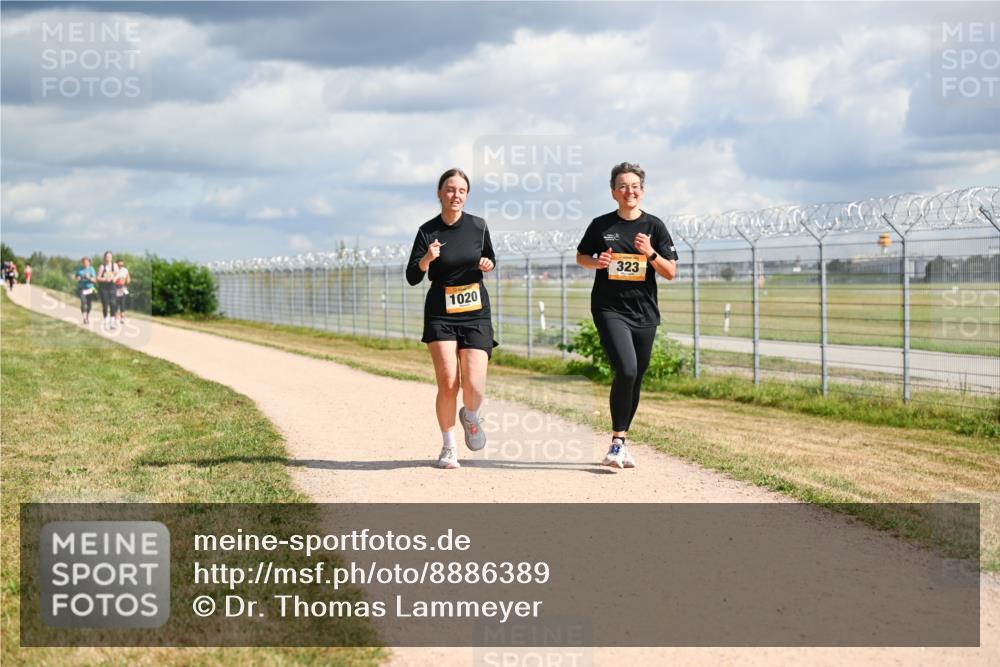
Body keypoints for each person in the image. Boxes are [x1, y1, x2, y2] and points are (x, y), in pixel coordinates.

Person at [576, 162, 678, 469]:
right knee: (628, 369)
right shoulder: (601, 225)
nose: (629, 191)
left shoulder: (654, 227)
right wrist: (597, 261)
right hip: (609, 309)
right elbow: (581, 256)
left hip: (644, 311)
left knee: (635, 377)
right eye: (622, 186)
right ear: (613, 192)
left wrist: (650, 252)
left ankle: (622, 441)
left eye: (634, 186)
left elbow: (671, 271)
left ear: (642, 191)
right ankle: (617, 442)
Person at [406, 168, 498, 469]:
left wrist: (488, 263)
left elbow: (490, 259)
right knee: (448, 382)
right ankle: (448, 447)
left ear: (466, 195)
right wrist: (426, 259)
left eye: (461, 190)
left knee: (474, 384)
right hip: (440, 311)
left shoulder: (479, 226)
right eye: (449, 189)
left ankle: (470, 416)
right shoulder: (427, 231)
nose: (455, 195)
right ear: (439, 193)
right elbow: (412, 276)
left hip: (475, 310)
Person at [96, 251, 117, 330]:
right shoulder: (102, 266)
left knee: (113, 303)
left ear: (111, 257)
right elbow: (98, 278)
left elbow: (118, 273)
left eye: (110, 256)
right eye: (107, 256)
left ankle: (112, 322)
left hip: (112, 287)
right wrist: (104, 279)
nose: (108, 258)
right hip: (104, 288)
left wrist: (115, 278)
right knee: (105, 304)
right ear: (104, 257)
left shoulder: (114, 265)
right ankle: (106, 322)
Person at [75, 257, 97, 324]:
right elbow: (76, 278)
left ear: (89, 263)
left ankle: (87, 316)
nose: (85, 263)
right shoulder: (79, 270)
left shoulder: (91, 269)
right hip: (82, 288)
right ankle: (84, 318)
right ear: (82, 263)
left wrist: (89, 278)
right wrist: (78, 278)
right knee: (83, 302)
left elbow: (94, 280)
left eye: (86, 262)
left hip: (90, 288)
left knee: (89, 304)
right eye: (84, 262)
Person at [113, 259, 131, 325]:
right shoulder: (113, 270)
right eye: (119, 265)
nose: (120, 266)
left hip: (123, 288)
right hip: (115, 288)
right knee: (115, 304)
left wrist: (126, 282)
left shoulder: (125, 270)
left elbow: (128, 278)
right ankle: (116, 318)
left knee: (122, 303)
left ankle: (122, 318)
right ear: (116, 264)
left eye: (122, 265)